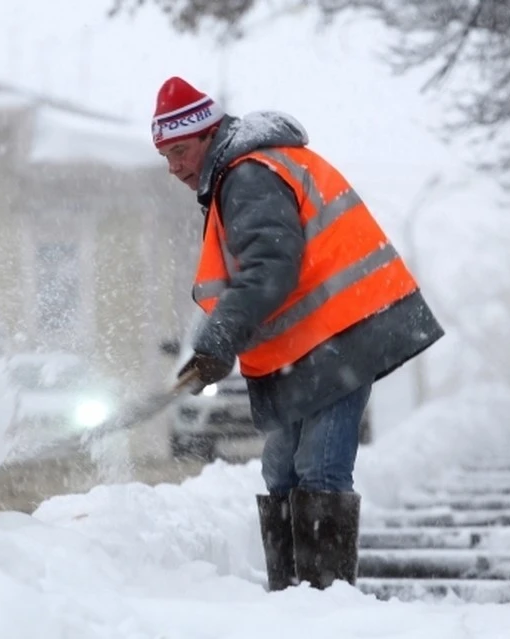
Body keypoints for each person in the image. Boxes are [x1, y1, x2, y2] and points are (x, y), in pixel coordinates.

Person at [152, 77, 444, 592]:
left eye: (179, 150)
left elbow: (269, 268)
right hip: (309, 344)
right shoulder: (237, 176)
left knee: (318, 471)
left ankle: (324, 608)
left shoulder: (248, 176)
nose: (173, 166)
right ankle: (290, 603)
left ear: (208, 134)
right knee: (282, 471)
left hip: (342, 333)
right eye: (164, 155)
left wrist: (218, 339)